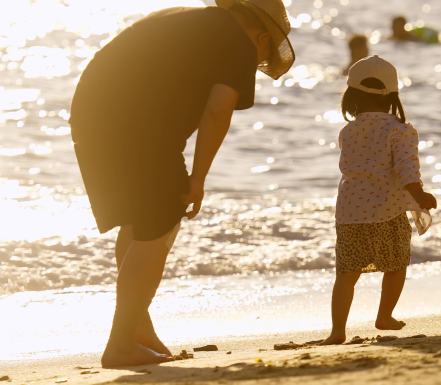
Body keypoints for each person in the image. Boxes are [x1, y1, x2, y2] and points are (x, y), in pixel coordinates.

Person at [69, 0, 294, 368]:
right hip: (135, 127)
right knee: (161, 216)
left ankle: (136, 329)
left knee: (142, 219)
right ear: (263, 36)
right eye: (264, 54)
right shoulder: (238, 39)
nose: (257, 64)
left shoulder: (181, 18)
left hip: (91, 115)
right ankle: (121, 342)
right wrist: (197, 180)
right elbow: (218, 110)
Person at [322, 56, 437, 345]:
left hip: (350, 212)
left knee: (346, 273)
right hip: (388, 210)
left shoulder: (348, 131)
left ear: (350, 96)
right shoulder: (400, 131)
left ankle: (337, 331)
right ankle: (384, 316)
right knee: (396, 265)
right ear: (393, 96)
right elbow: (406, 168)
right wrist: (419, 194)